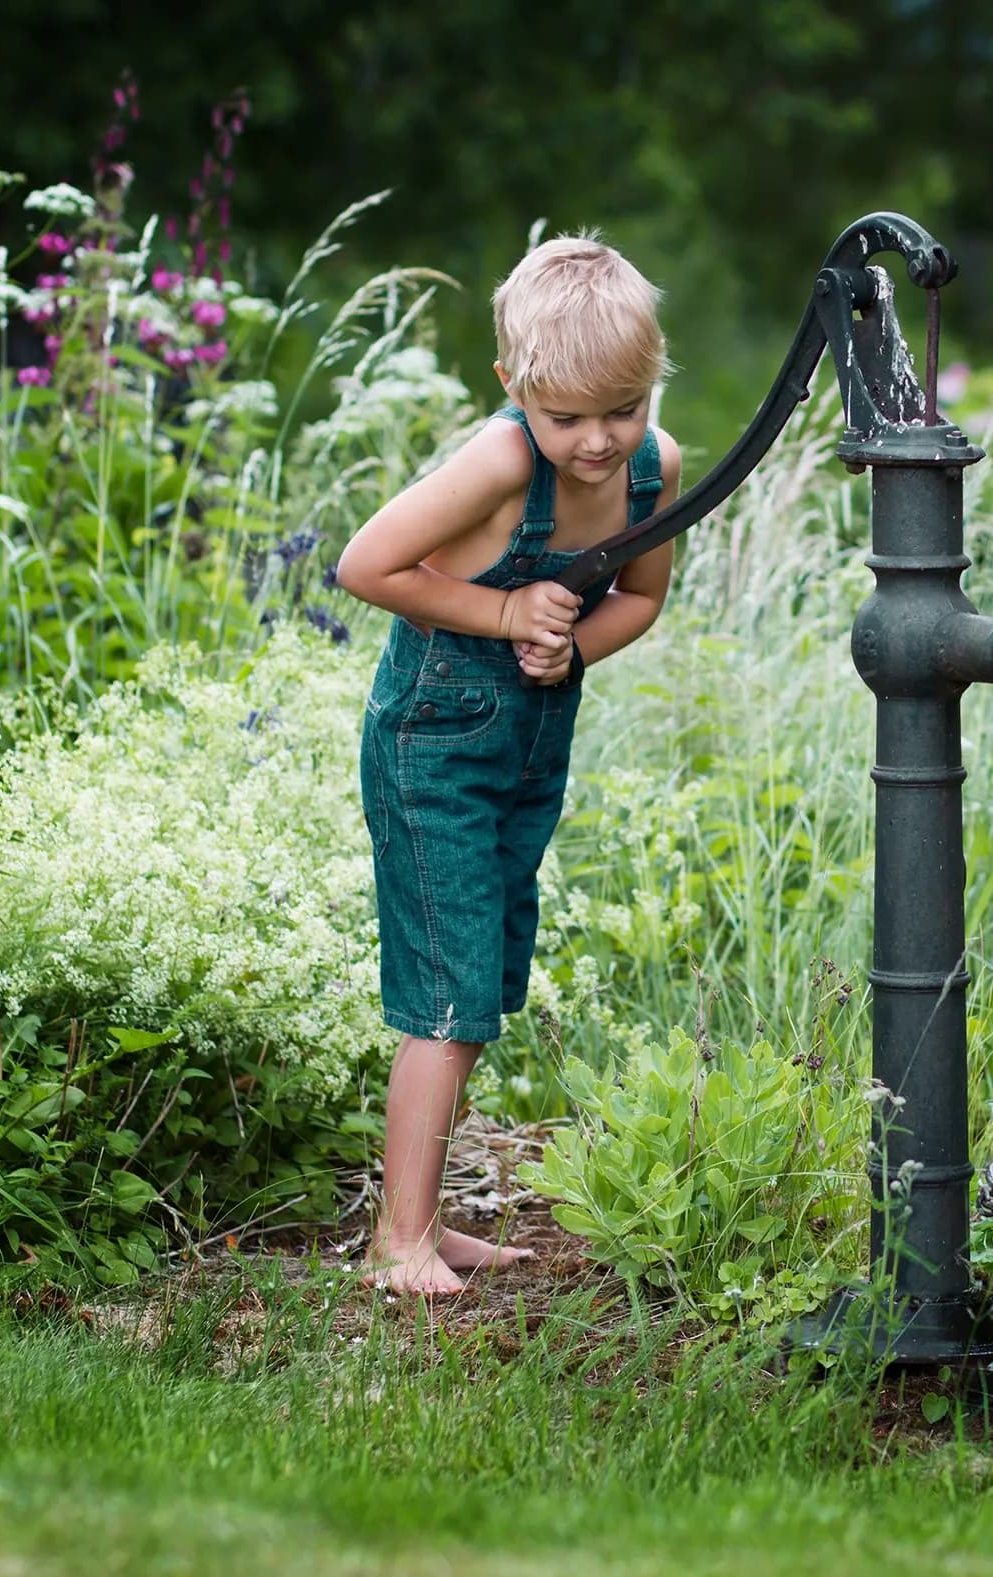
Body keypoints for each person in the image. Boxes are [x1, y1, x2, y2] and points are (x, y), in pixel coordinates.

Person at [334, 234, 681, 1295]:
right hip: (430, 745)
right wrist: (501, 608)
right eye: (567, 415)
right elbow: (363, 564)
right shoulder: (497, 462)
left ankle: (423, 1215)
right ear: (513, 386)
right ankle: (397, 1242)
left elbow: (641, 597)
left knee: (481, 980)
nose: (596, 440)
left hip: (527, 750)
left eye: (619, 410)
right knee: (444, 995)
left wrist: (572, 641)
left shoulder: (654, 466)